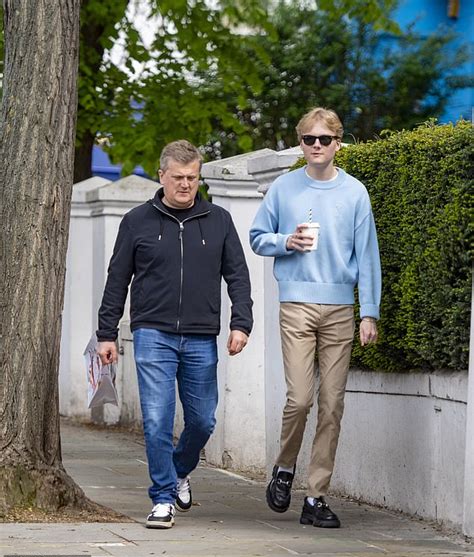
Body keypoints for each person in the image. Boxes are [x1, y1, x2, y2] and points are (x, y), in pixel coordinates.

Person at [96, 140, 253, 529]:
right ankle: (162, 498)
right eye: (178, 177)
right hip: (152, 333)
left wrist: (241, 323)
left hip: (202, 335)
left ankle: (181, 470)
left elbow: (238, 275)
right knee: (156, 419)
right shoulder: (137, 221)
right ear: (162, 175)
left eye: (193, 178)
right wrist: (106, 332)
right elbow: (117, 279)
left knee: (203, 421)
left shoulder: (218, 220)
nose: (186, 185)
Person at [249, 107, 381, 528]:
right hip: (297, 306)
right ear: (300, 143)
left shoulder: (355, 192)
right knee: (300, 399)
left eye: (325, 139)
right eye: (310, 139)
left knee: (332, 405)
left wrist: (369, 312)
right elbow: (257, 237)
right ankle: (284, 468)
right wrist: (286, 241)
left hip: (341, 308)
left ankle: (316, 497)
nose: (318, 146)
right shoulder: (284, 189)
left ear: (338, 143)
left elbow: (368, 257)